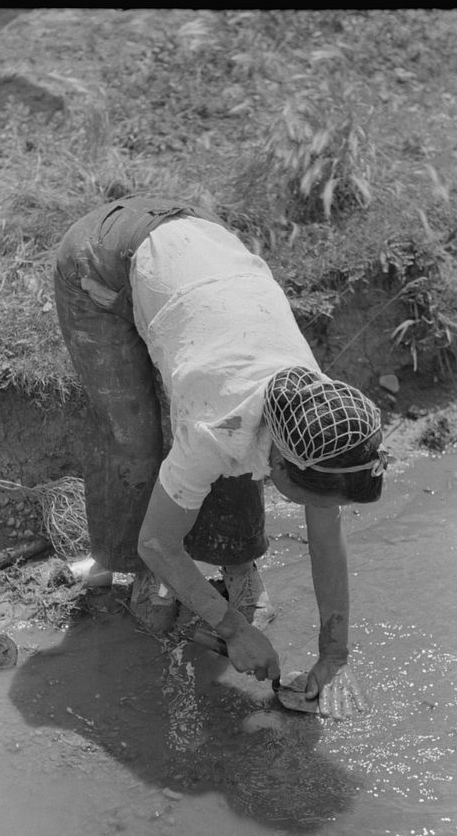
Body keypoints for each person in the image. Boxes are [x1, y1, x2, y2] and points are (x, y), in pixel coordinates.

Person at [54, 195, 388, 720]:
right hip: (105, 257)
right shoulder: (219, 427)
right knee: (133, 437)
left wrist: (333, 652)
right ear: (280, 462)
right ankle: (133, 575)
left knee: (230, 459)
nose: (319, 511)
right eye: (309, 496)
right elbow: (157, 540)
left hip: (200, 250)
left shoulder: (315, 414)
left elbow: (327, 537)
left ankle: (235, 559)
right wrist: (234, 629)